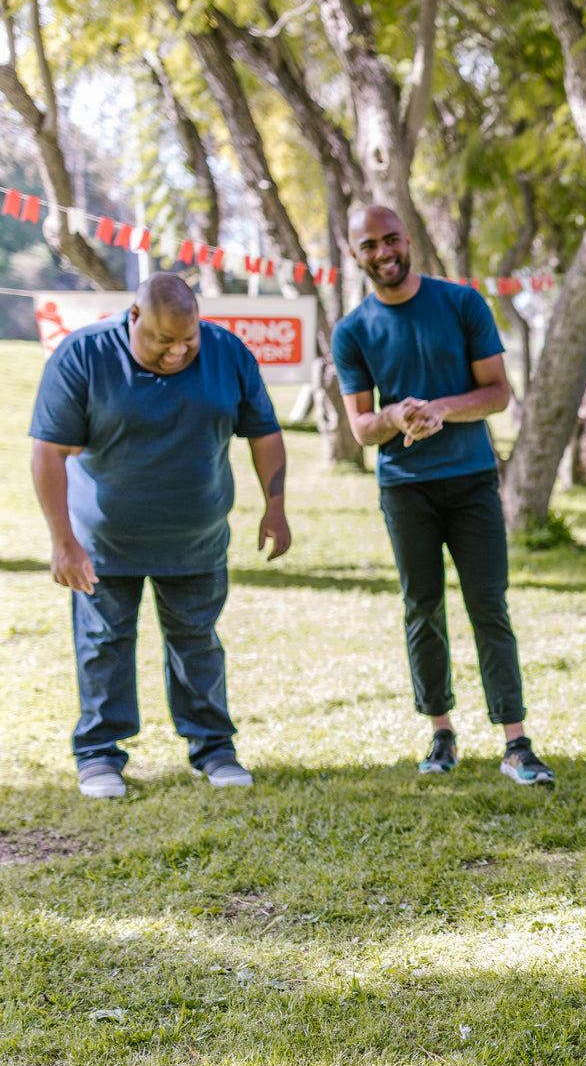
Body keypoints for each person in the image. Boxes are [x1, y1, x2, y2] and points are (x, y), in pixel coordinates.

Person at [28, 273, 289, 798]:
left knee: (198, 644)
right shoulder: (83, 355)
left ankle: (214, 750)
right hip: (104, 545)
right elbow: (48, 452)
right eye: (163, 340)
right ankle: (99, 755)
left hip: (197, 540)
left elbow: (264, 433)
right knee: (103, 645)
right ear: (134, 318)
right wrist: (63, 541)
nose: (177, 351)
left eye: (188, 339)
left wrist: (276, 506)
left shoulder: (226, 352)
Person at [332, 205, 552, 786]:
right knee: (422, 607)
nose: (383, 253)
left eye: (391, 239)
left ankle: (516, 743)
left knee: (489, 604)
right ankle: (441, 733)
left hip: (472, 479)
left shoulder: (461, 303)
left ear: (408, 239)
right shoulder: (352, 331)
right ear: (354, 254)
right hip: (405, 488)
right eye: (369, 245)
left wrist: (440, 410)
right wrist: (394, 415)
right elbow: (361, 428)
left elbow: (497, 393)